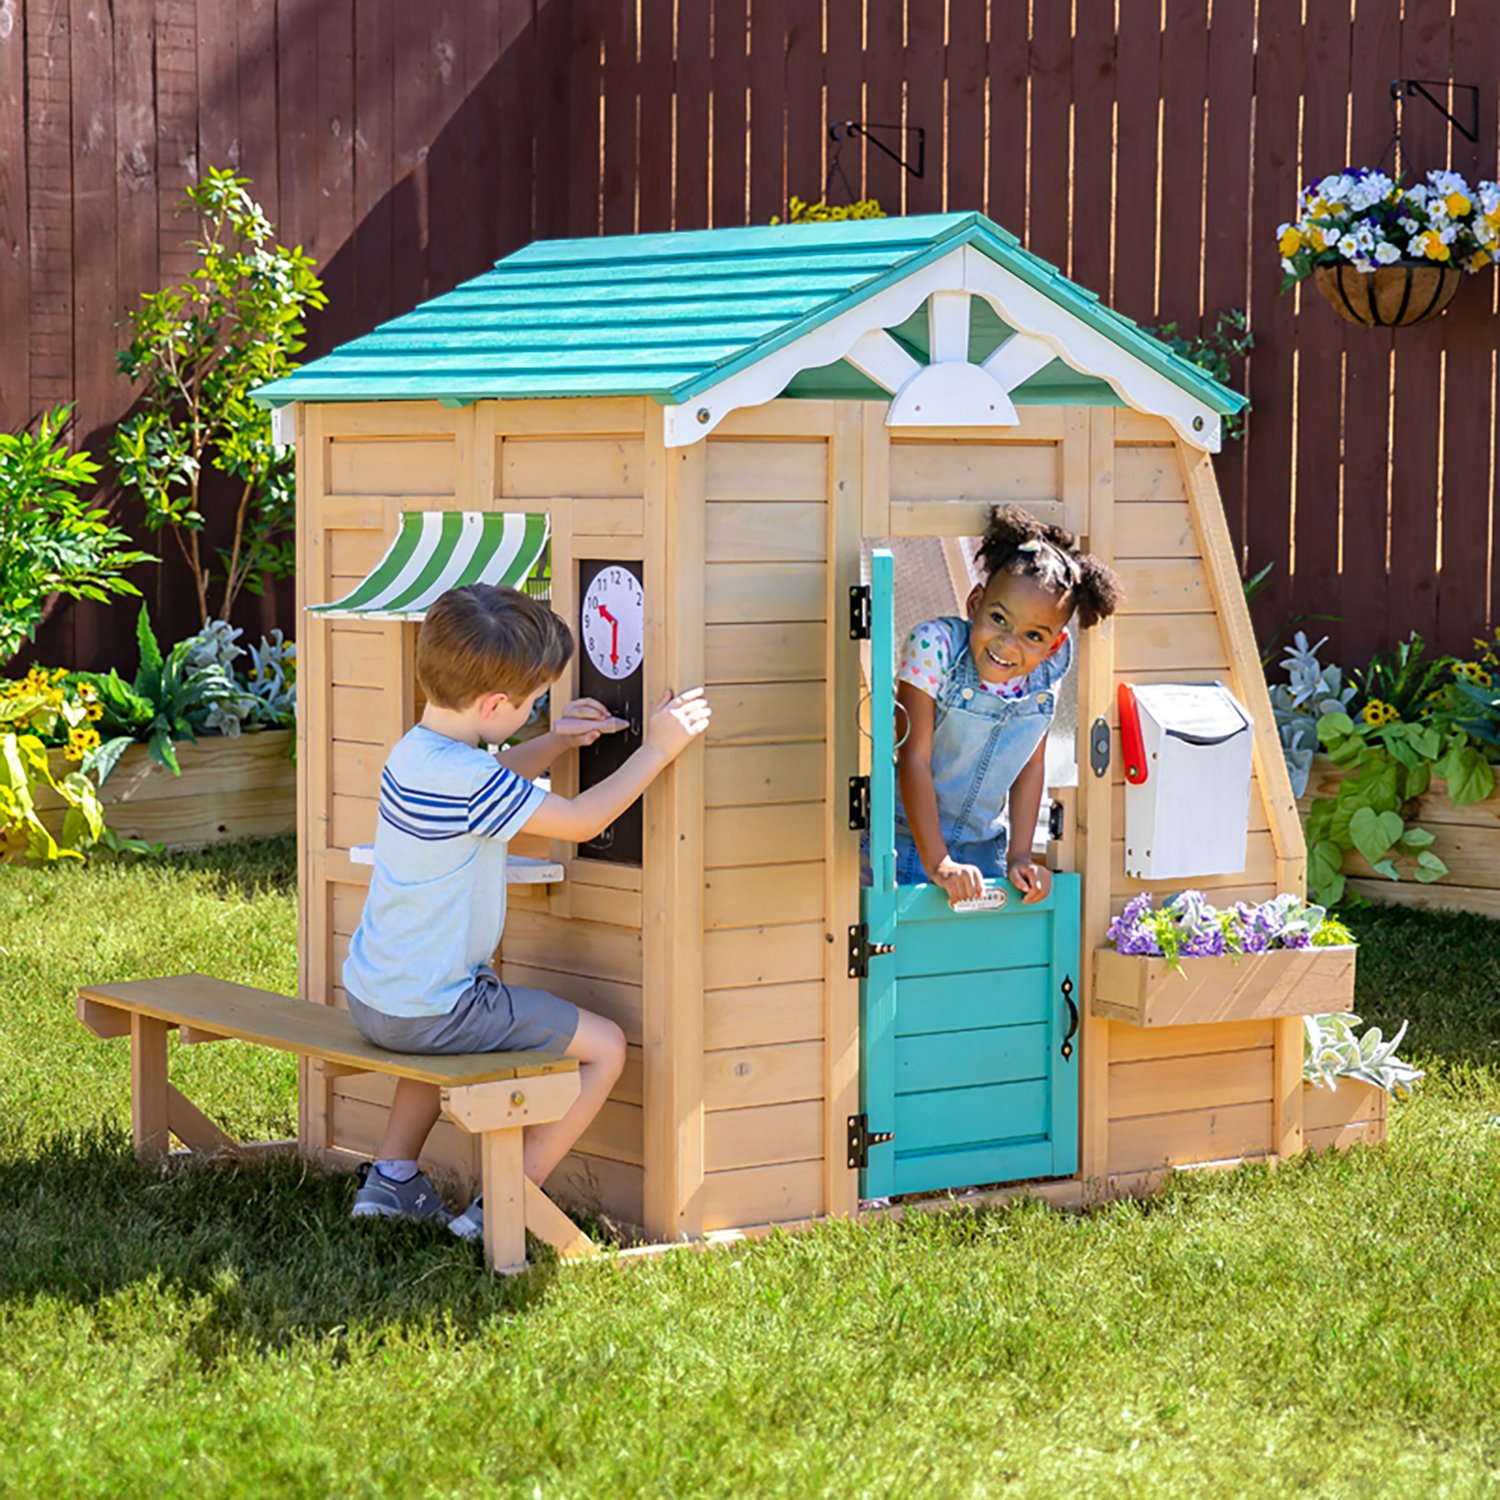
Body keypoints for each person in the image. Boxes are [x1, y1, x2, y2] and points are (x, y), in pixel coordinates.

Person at [343, 582, 710, 1239]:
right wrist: (659, 748)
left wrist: (555, 742)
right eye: (534, 702)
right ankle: (504, 1204)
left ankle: (391, 1179)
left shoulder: (416, 753)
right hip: (439, 1008)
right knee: (604, 1048)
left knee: (437, 1037)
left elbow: (493, 774)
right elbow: (579, 819)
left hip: (377, 997)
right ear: (492, 704)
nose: (540, 707)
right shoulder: (472, 781)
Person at [892, 504, 1122, 908]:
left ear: (1053, 645)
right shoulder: (935, 647)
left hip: (984, 854)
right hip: (904, 844)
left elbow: (1031, 767)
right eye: (999, 618)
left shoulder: (1044, 675)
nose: (1009, 644)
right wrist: (940, 863)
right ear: (975, 602)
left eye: (1033, 635)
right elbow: (914, 758)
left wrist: (1019, 856)